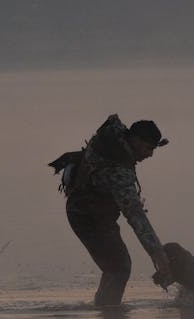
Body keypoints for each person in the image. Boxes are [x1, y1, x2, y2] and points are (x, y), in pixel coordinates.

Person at [49, 114, 173, 307]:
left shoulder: (114, 138)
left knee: (116, 266)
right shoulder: (117, 170)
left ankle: (104, 309)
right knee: (119, 267)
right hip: (86, 217)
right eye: (149, 148)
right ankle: (108, 313)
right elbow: (136, 216)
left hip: (94, 212)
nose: (151, 154)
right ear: (136, 140)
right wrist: (157, 253)